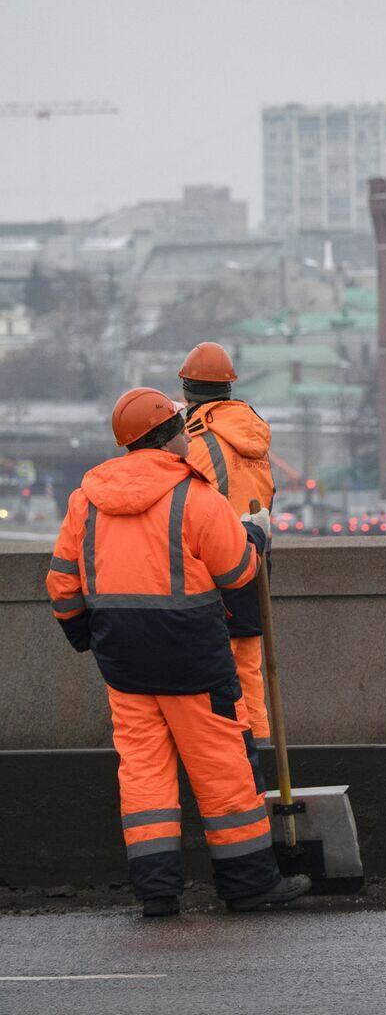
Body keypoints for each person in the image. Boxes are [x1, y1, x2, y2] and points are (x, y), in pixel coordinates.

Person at [45, 388, 308, 918]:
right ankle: (249, 885)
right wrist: (254, 537)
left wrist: (85, 637)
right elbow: (236, 573)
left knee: (143, 775)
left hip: (123, 661)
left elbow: (62, 586)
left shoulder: (85, 500)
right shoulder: (195, 495)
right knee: (222, 767)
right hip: (193, 657)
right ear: (169, 438)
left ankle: (157, 894)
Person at [178, 341, 278, 789]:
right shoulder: (252, 434)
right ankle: (263, 760)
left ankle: (233, 768)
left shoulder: (196, 443)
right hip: (254, 561)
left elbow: (184, 508)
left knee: (212, 677)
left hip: (212, 568)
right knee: (250, 670)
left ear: (186, 390)